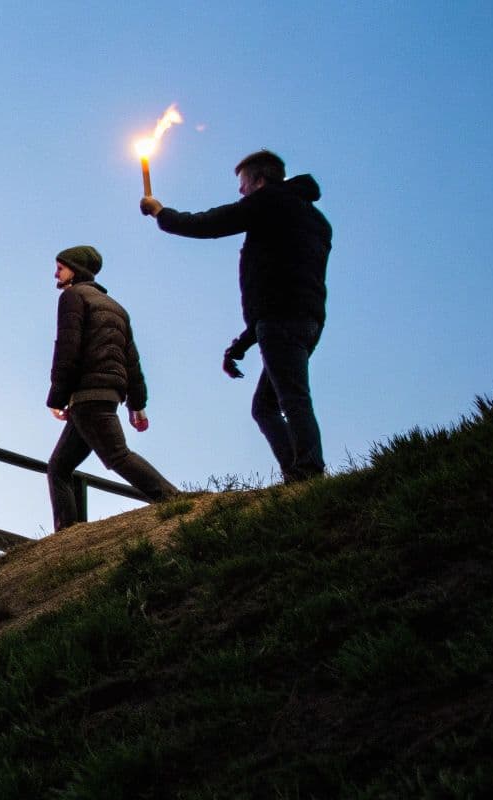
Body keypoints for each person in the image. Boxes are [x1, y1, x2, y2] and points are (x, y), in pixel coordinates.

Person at [140, 149, 333, 482]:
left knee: (292, 397)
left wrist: (161, 213)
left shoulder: (269, 201)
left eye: (243, 184)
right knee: (267, 406)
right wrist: (243, 343)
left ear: (259, 180)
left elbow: (210, 223)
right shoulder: (315, 221)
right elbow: (284, 282)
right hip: (307, 320)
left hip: (280, 321)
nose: (241, 192)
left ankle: (308, 473)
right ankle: (299, 473)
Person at [45, 245, 180, 530]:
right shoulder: (117, 308)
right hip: (107, 394)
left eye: (61, 266)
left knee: (117, 455)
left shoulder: (72, 297)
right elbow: (132, 360)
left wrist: (57, 397)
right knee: (59, 467)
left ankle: (173, 498)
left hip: (87, 395)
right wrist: (137, 405)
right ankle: (67, 534)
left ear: (76, 270)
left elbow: (67, 349)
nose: (56, 272)